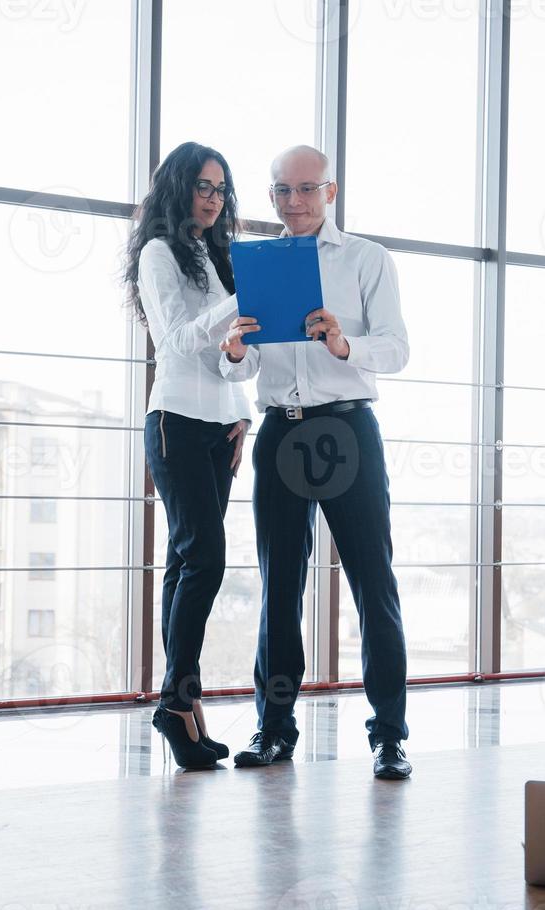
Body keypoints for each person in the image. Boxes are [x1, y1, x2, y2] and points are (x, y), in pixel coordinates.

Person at [219, 145, 413, 779]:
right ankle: (274, 730)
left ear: (330, 192)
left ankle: (389, 736)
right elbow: (240, 367)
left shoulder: (365, 259)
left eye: (307, 189)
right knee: (278, 590)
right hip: (281, 432)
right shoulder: (251, 263)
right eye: (282, 190)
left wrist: (343, 341)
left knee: (372, 584)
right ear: (271, 196)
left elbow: (397, 350)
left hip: (347, 430)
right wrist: (235, 350)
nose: (294, 201)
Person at [123, 142, 252, 769]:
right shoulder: (157, 253)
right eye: (203, 185)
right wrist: (242, 300)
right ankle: (177, 703)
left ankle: (184, 706)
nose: (214, 197)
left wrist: (243, 410)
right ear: (178, 187)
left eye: (221, 188)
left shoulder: (217, 254)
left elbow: (235, 353)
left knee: (184, 563)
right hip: (174, 419)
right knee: (204, 557)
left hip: (221, 426)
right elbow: (175, 339)